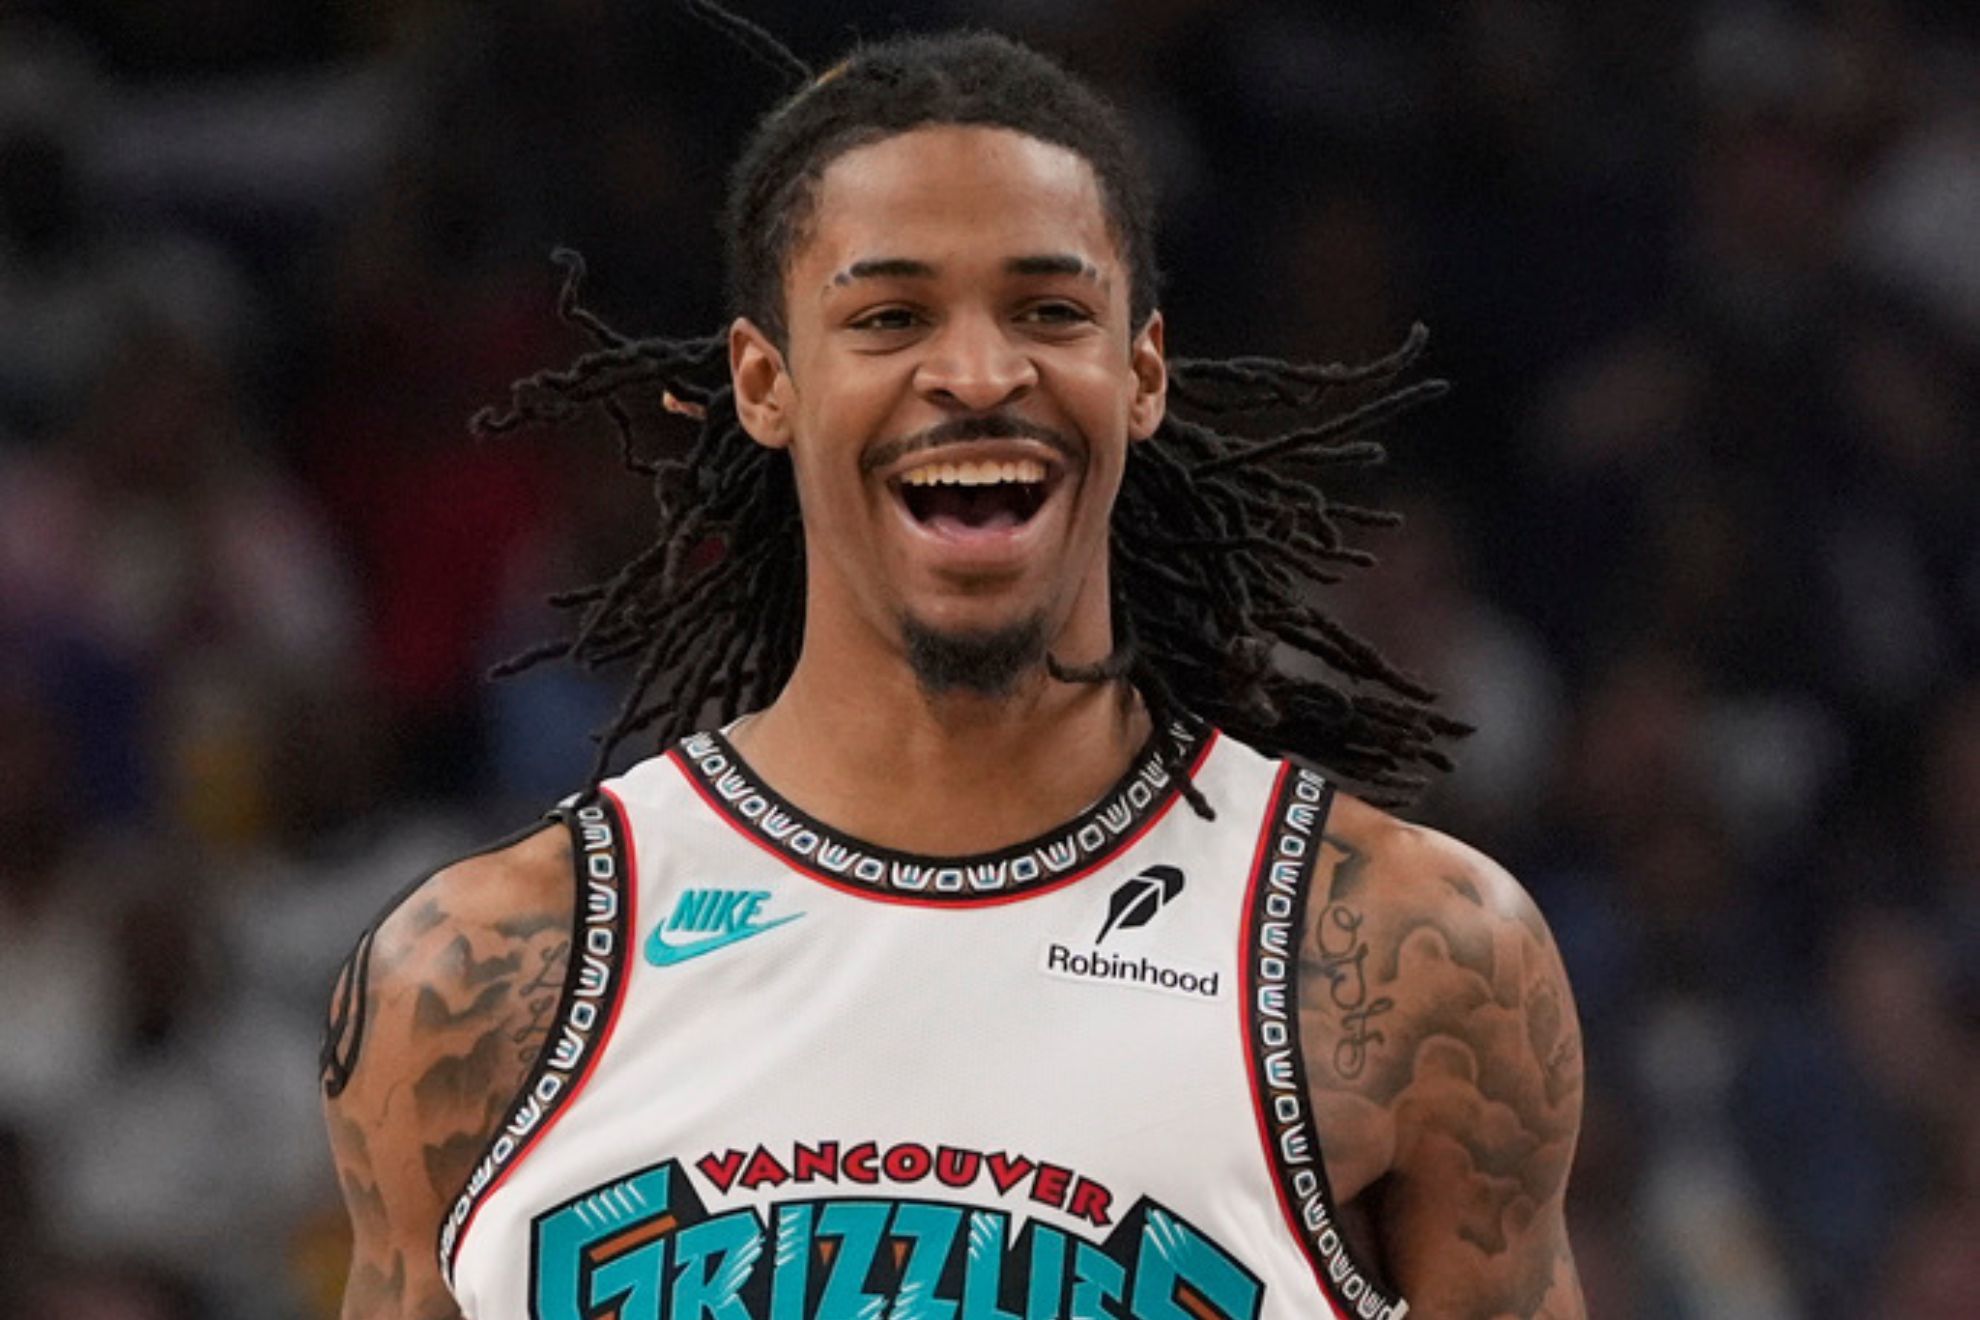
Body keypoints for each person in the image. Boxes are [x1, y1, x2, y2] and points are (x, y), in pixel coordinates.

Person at [321, 12, 1586, 1319]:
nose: (978, 373)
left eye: (1048, 308)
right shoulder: (483, 976)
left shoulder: (1407, 959)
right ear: (767, 383)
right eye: (890, 314)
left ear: (1140, 374)